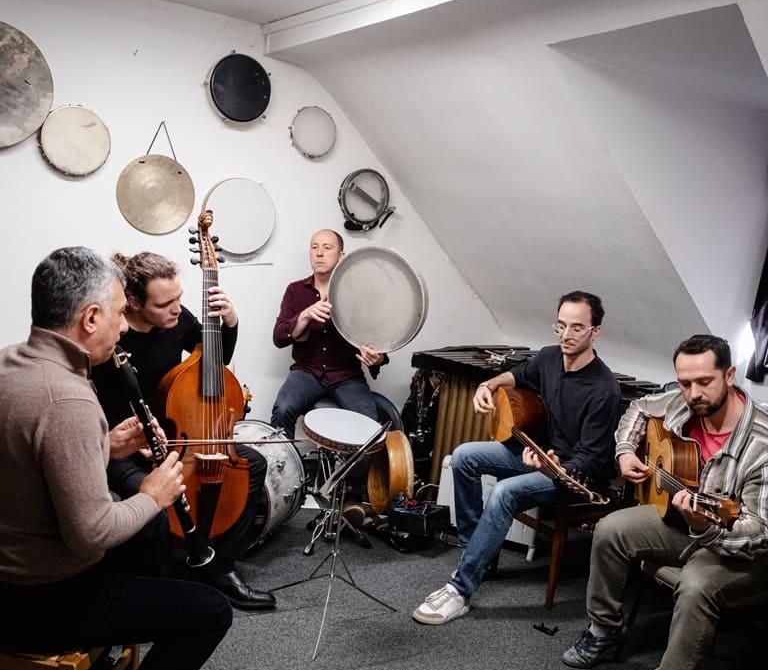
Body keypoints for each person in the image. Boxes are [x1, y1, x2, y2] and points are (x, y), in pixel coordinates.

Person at [0, 247, 233, 670]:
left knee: (150, 542)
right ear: (89, 319)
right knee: (208, 613)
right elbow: (89, 534)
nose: (124, 324)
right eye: (116, 312)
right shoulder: (69, 397)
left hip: (9, 570)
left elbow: (33, 459)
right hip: (38, 598)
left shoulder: (13, 364)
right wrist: (154, 495)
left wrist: (108, 445)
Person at [562, 333, 768, 670]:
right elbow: (637, 408)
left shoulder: (762, 444)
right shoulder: (680, 401)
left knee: (695, 586)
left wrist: (705, 528)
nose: (692, 393)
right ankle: (603, 630)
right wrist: (623, 452)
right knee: (612, 529)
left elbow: (760, 533)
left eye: (704, 382)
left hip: (736, 550)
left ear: (730, 375)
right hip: (682, 523)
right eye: (684, 382)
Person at [412, 291, 620, 624]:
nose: (566, 335)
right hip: (536, 454)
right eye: (561, 326)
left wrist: (554, 468)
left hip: (571, 477)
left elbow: (592, 461)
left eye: (577, 328)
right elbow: (518, 375)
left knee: (504, 493)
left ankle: (461, 589)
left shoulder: (604, 390)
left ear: (596, 332)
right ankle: (473, 551)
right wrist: (489, 385)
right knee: (464, 457)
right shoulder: (551, 357)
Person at [92, 252, 274, 611]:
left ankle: (220, 564)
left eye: (178, 298)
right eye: (165, 304)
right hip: (122, 443)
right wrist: (127, 439)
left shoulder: (176, 319)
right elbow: (96, 405)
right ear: (133, 303)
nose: (178, 309)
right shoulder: (110, 335)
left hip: (176, 433)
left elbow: (212, 362)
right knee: (151, 499)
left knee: (251, 465)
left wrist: (231, 322)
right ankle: (166, 584)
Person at [271, 229, 387, 511]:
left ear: (341, 256)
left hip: (346, 374)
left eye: (327, 247)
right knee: (282, 409)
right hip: (306, 371)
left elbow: (378, 346)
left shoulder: (358, 295)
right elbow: (279, 337)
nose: (319, 253)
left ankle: (348, 495)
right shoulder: (295, 291)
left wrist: (377, 358)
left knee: (370, 429)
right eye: (314, 247)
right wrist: (304, 316)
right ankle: (282, 485)